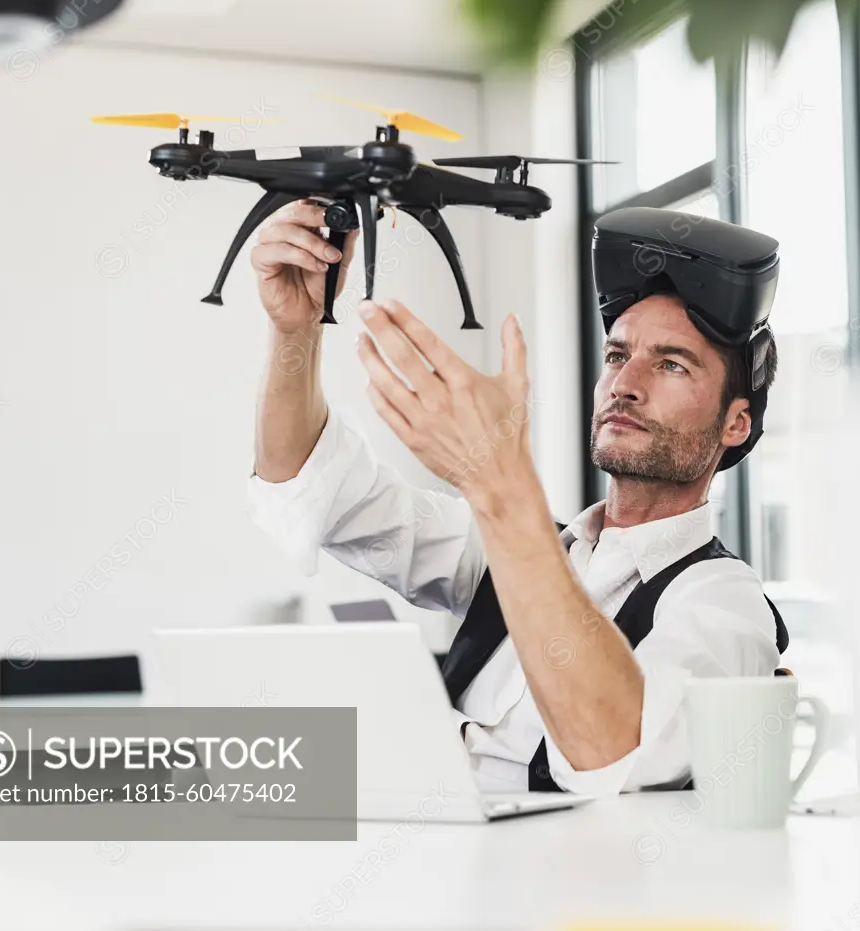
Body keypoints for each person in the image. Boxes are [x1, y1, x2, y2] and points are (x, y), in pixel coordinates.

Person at [247, 199, 784, 797]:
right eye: (616, 355)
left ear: (736, 423)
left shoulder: (724, 603)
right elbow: (309, 483)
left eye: (672, 365)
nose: (625, 386)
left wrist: (501, 484)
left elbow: (620, 751)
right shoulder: (517, 548)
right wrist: (294, 331)